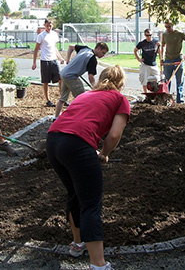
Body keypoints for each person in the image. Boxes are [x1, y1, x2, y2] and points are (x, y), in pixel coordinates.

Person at [46, 65, 130, 270]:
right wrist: (104, 154)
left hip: (53, 140)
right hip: (77, 145)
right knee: (91, 204)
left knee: (74, 194)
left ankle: (78, 244)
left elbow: (75, 121)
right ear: (120, 83)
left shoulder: (85, 95)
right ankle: (98, 264)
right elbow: (114, 135)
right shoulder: (120, 100)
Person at [54, 42, 109, 119]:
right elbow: (90, 77)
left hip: (63, 73)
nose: (103, 55)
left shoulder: (85, 48)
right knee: (83, 99)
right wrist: (96, 88)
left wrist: (68, 59)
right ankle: (79, 118)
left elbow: (70, 47)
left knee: (62, 98)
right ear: (98, 49)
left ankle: (55, 118)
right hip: (71, 77)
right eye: (103, 53)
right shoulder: (92, 59)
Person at [32, 18, 65, 107]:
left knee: (60, 79)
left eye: (50, 25)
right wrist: (34, 62)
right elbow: (36, 49)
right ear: (44, 25)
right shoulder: (41, 36)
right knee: (46, 81)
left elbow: (54, 48)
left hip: (53, 60)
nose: (49, 27)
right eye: (47, 25)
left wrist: (60, 58)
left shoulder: (54, 35)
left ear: (52, 25)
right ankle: (48, 100)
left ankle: (62, 98)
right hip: (45, 60)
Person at [160, 20, 185, 103]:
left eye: (169, 27)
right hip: (168, 60)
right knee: (167, 81)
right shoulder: (164, 35)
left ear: (172, 25)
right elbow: (163, 46)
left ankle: (180, 101)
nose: (167, 29)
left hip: (178, 59)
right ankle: (166, 100)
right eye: (166, 27)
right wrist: (161, 58)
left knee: (179, 81)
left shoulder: (179, 34)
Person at [134, 28, 161, 93]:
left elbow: (159, 52)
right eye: (147, 35)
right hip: (145, 64)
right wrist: (138, 59)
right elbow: (135, 50)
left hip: (154, 64)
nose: (148, 37)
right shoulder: (142, 43)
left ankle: (155, 93)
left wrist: (160, 48)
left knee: (157, 78)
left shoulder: (155, 41)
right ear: (145, 35)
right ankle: (146, 94)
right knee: (144, 80)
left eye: (150, 35)